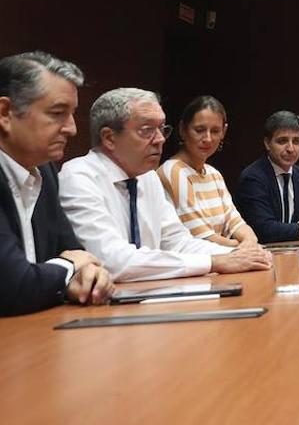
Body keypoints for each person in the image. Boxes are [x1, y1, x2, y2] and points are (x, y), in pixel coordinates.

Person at [59, 88, 271, 282]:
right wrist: (215, 262)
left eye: (161, 129)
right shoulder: (79, 177)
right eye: (146, 130)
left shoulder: (147, 177)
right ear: (109, 137)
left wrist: (242, 255)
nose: (160, 139)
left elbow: (178, 242)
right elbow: (113, 261)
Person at [0, 52, 113, 315]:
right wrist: (69, 268)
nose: (72, 129)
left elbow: (75, 252)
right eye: (58, 113)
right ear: (5, 113)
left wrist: (91, 274)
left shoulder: (45, 170)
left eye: (72, 114)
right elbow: (12, 286)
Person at [156, 96, 258, 247]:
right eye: (199, 130)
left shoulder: (213, 174)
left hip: (224, 258)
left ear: (224, 131)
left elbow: (235, 221)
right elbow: (200, 237)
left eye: (215, 131)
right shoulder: (173, 170)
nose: (208, 138)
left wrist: (250, 241)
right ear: (182, 130)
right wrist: (242, 247)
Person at [236, 111, 299, 243]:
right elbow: (265, 229)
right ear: (267, 143)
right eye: (282, 141)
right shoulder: (253, 177)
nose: (290, 148)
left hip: (297, 253)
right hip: (263, 254)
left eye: (296, 141)